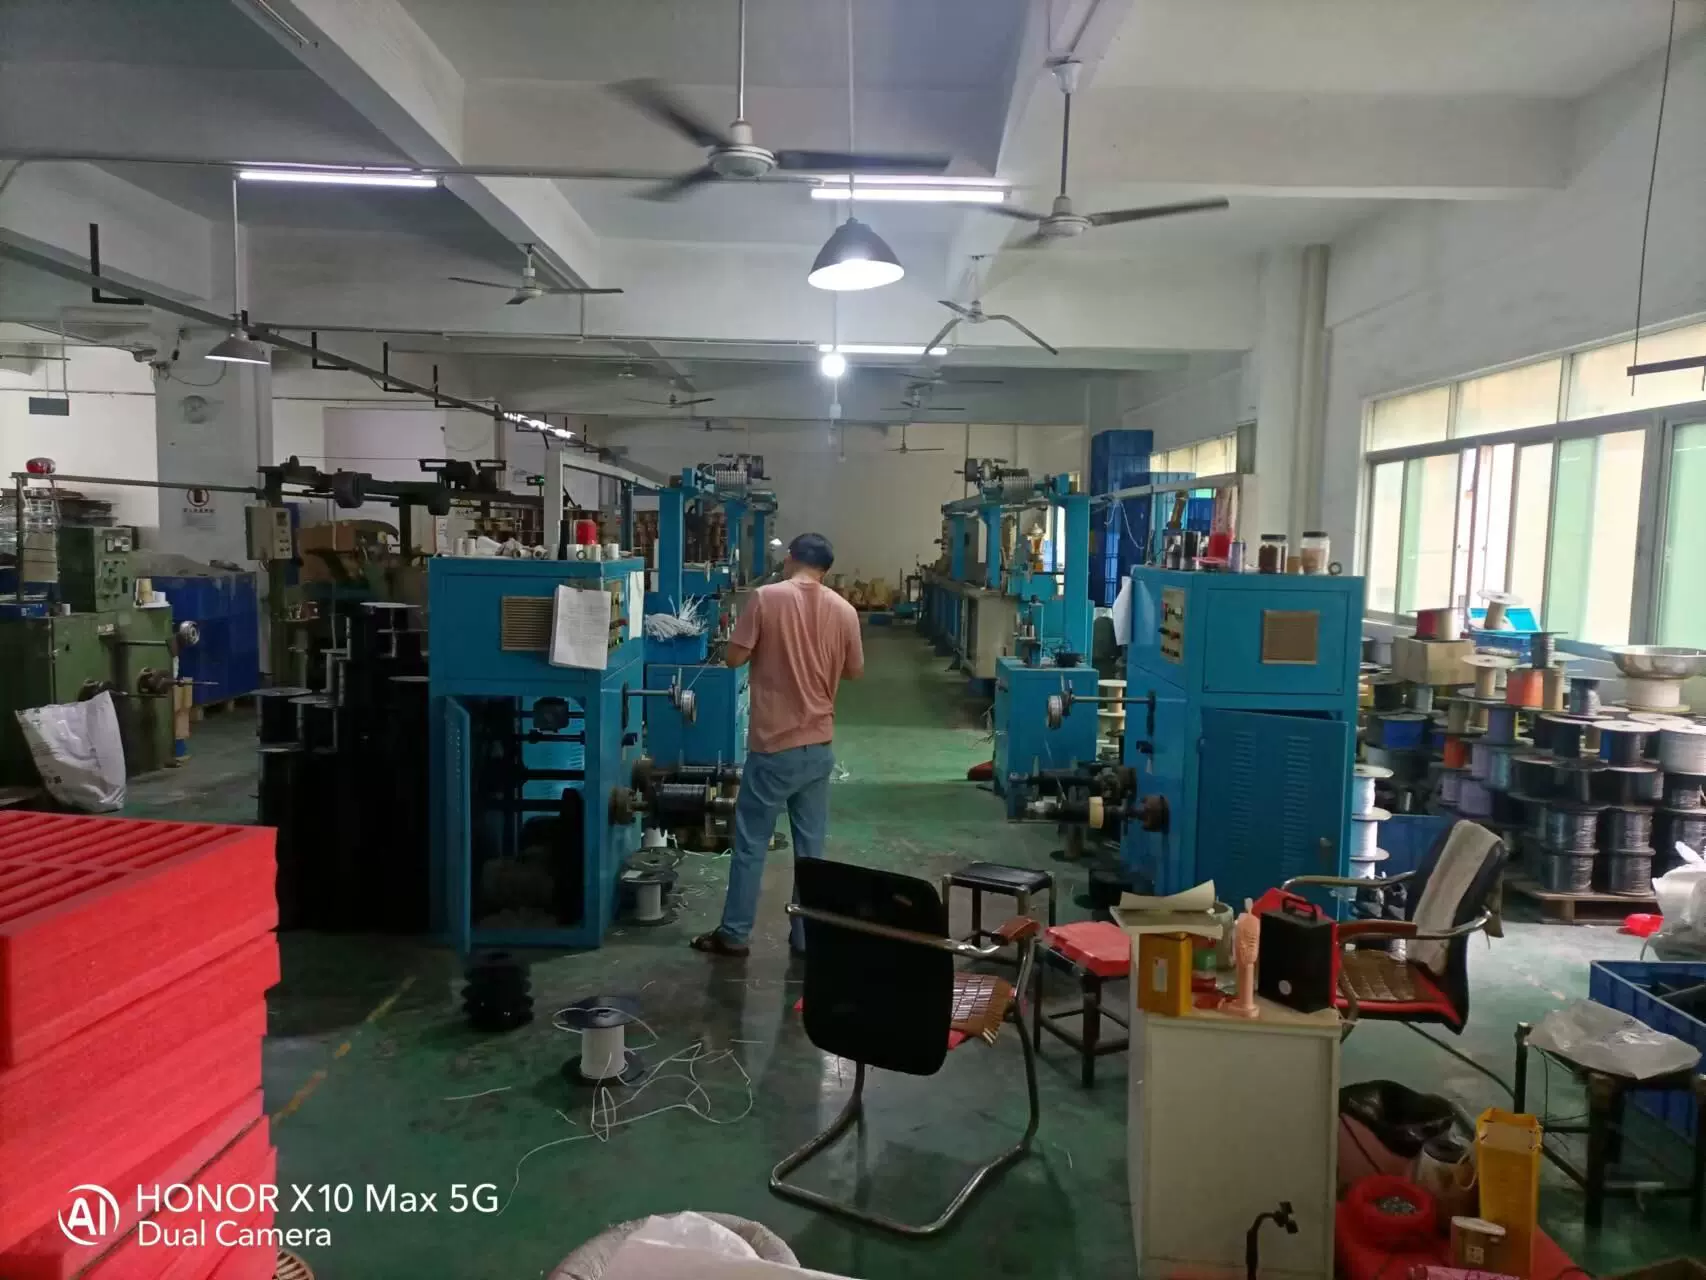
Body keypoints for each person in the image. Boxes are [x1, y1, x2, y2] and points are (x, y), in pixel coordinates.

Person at [691, 532, 863, 957]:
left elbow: (733, 658)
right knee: (811, 851)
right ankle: (806, 937)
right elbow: (854, 671)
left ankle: (734, 934)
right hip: (818, 747)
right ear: (826, 570)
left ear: (790, 559)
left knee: (751, 844)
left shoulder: (767, 598)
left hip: (773, 747)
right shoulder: (844, 610)